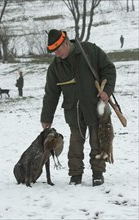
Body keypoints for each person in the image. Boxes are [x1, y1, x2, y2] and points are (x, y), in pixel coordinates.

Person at [40, 29, 116, 186]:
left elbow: (109, 69)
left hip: (94, 107)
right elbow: (51, 94)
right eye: (54, 52)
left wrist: (107, 91)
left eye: (59, 51)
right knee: (75, 145)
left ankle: (97, 173)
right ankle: (75, 175)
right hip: (72, 110)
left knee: (98, 142)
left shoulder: (89, 51)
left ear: (66, 43)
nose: (57, 55)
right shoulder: (55, 68)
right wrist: (46, 117)